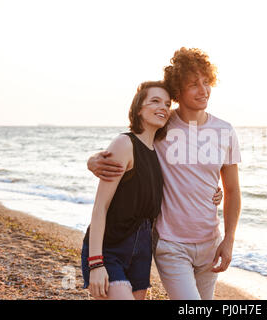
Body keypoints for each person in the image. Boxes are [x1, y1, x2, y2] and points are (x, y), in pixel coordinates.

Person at [88, 47, 241, 300]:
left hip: (210, 243)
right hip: (170, 244)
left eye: (206, 82)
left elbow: (233, 191)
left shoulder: (225, 131)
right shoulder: (162, 123)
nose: (203, 90)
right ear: (177, 91)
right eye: (194, 84)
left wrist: (229, 239)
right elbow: (129, 143)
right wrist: (93, 160)